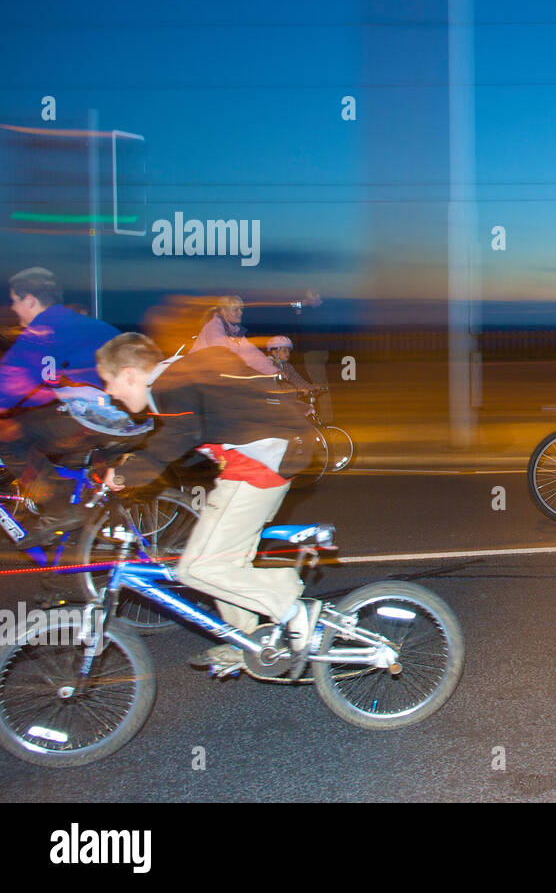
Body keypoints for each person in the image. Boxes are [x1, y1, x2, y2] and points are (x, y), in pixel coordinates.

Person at [97, 332, 319, 675]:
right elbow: (185, 440)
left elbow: (181, 435)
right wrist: (133, 461)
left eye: (109, 382)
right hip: (263, 461)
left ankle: (288, 606)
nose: (109, 392)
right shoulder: (177, 380)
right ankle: (248, 641)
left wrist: (131, 473)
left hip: (258, 465)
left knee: (197, 569)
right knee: (227, 564)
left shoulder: (170, 386)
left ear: (129, 373)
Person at [0, 267, 120, 548]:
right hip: (124, 415)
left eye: (14, 300)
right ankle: (59, 578)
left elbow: (9, 383)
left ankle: (57, 507)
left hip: (93, 418)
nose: (14, 308)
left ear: (29, 299)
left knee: (8, 435)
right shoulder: (88, 325)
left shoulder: (42, 330)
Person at [189, 296, 278, 376]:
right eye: (236, 310)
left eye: (241, 309)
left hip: (215, 374)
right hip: (199, 374)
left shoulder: (235, 331)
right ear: (224, 312)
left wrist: (274, 371)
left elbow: (252, 356)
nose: (240, 313)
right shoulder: (214, 327)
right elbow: (221, 353)